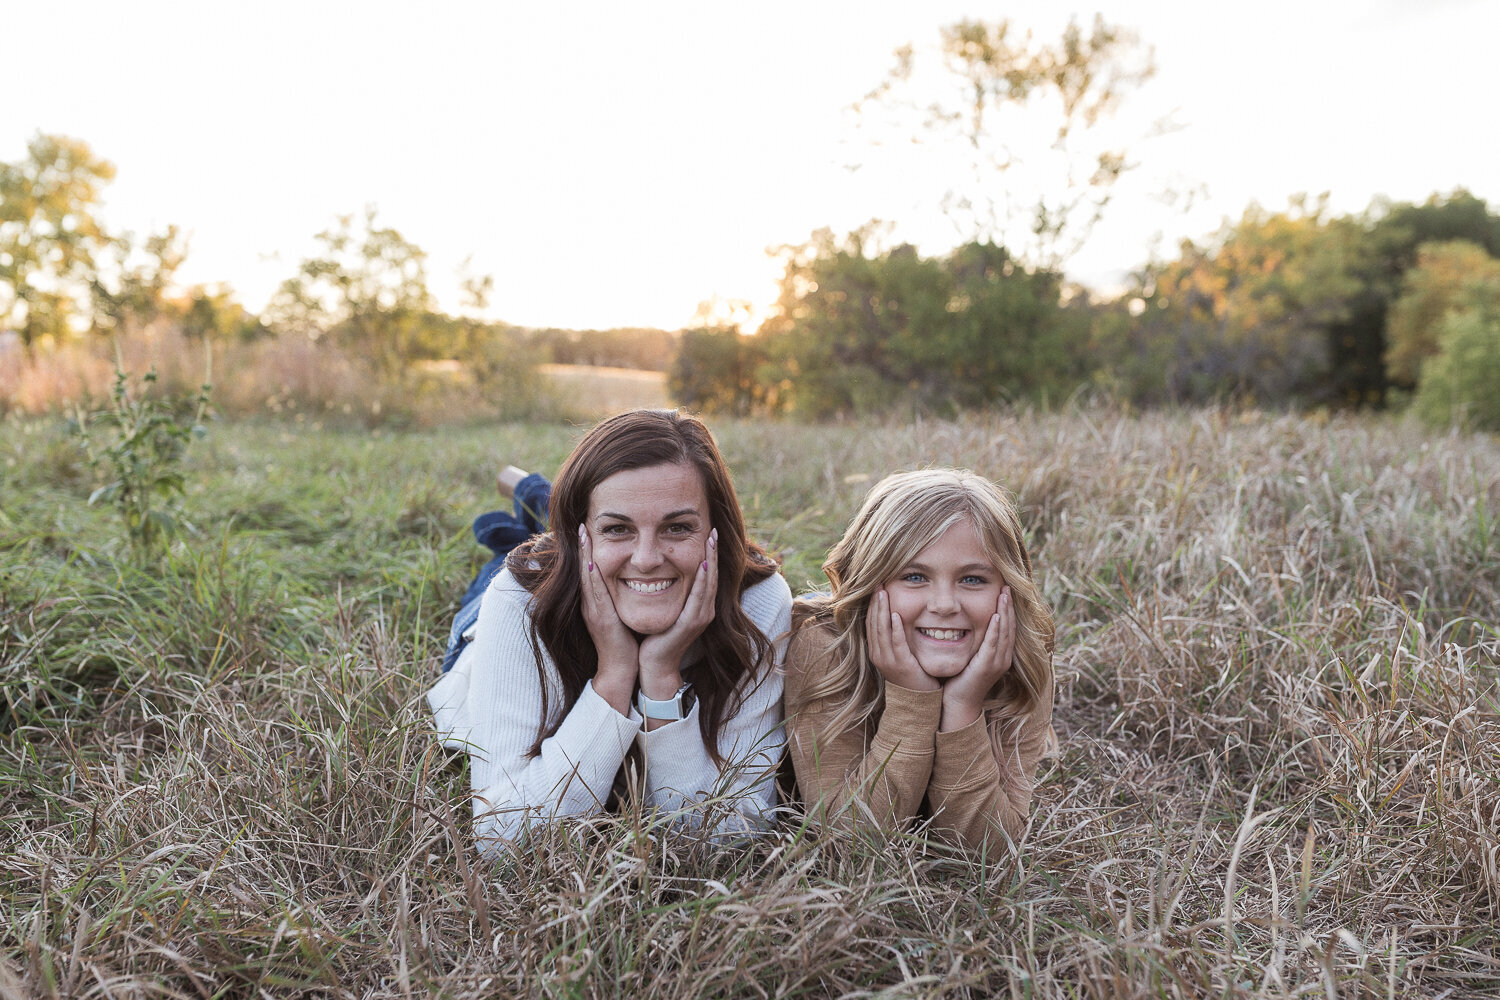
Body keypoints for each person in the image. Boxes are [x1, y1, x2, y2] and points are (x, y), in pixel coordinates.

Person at [427, 410, 791, 852]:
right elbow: (503, 840)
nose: (646, 557)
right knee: (525, 545)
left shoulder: (757, 599)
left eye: (677, 527)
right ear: (581, 537)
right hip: (498, 612)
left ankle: (540, 498)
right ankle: (535, 504)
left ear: (716, 530)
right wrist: (614, 674)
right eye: (618, 528)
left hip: (591, 559)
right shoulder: (520, 597)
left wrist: (660, 675)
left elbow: (727, 839)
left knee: (575, 520)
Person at [783, 468, 1055, 848]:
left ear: (1008, 589)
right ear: (870, 581)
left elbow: (989, 854)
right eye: (914, 576)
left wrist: (963, 706)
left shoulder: (1023, 664)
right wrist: (912, 699)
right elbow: (850, 842)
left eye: (973, 579)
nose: (944, 605)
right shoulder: (825, 647)